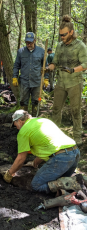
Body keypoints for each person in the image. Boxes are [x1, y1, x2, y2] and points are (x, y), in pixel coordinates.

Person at [4, 110, 81, 192]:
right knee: (60, 180)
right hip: (75, 152)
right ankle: (71, 184)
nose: (16, 127)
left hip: (62, 158)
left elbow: (20, 159)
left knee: (36, 185)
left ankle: (65, 184)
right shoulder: (43, 121)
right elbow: (48, 147)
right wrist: (35, 162)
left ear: (19, 121)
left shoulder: (23, 132)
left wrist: (9, 174)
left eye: (15, 125)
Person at [46, 15, 87, 144]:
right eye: (60, 35)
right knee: (56, 109)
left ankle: (77, 138)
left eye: (64, 35)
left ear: (71, 32)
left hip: (74, 82)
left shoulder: (80, 46)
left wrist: (73, 70)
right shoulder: (60, 46)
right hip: (61, 83)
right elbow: (55, 62)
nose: (62, 37)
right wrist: (48, 68)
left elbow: (86, 64)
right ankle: (55, 136)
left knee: (75, 110)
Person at [12, 32, 46, 114]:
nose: (29, 44)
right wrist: (14, 77)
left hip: (37, 81)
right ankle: (23, 121)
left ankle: (35, 119)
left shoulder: (41, 51)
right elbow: (16, 65)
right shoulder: (21, 51)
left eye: (30, 42)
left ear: (34, 41)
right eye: (27, 42)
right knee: (23, 102)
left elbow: (45, 67)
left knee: (36, 101)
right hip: (24, 82)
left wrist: (46, 78)